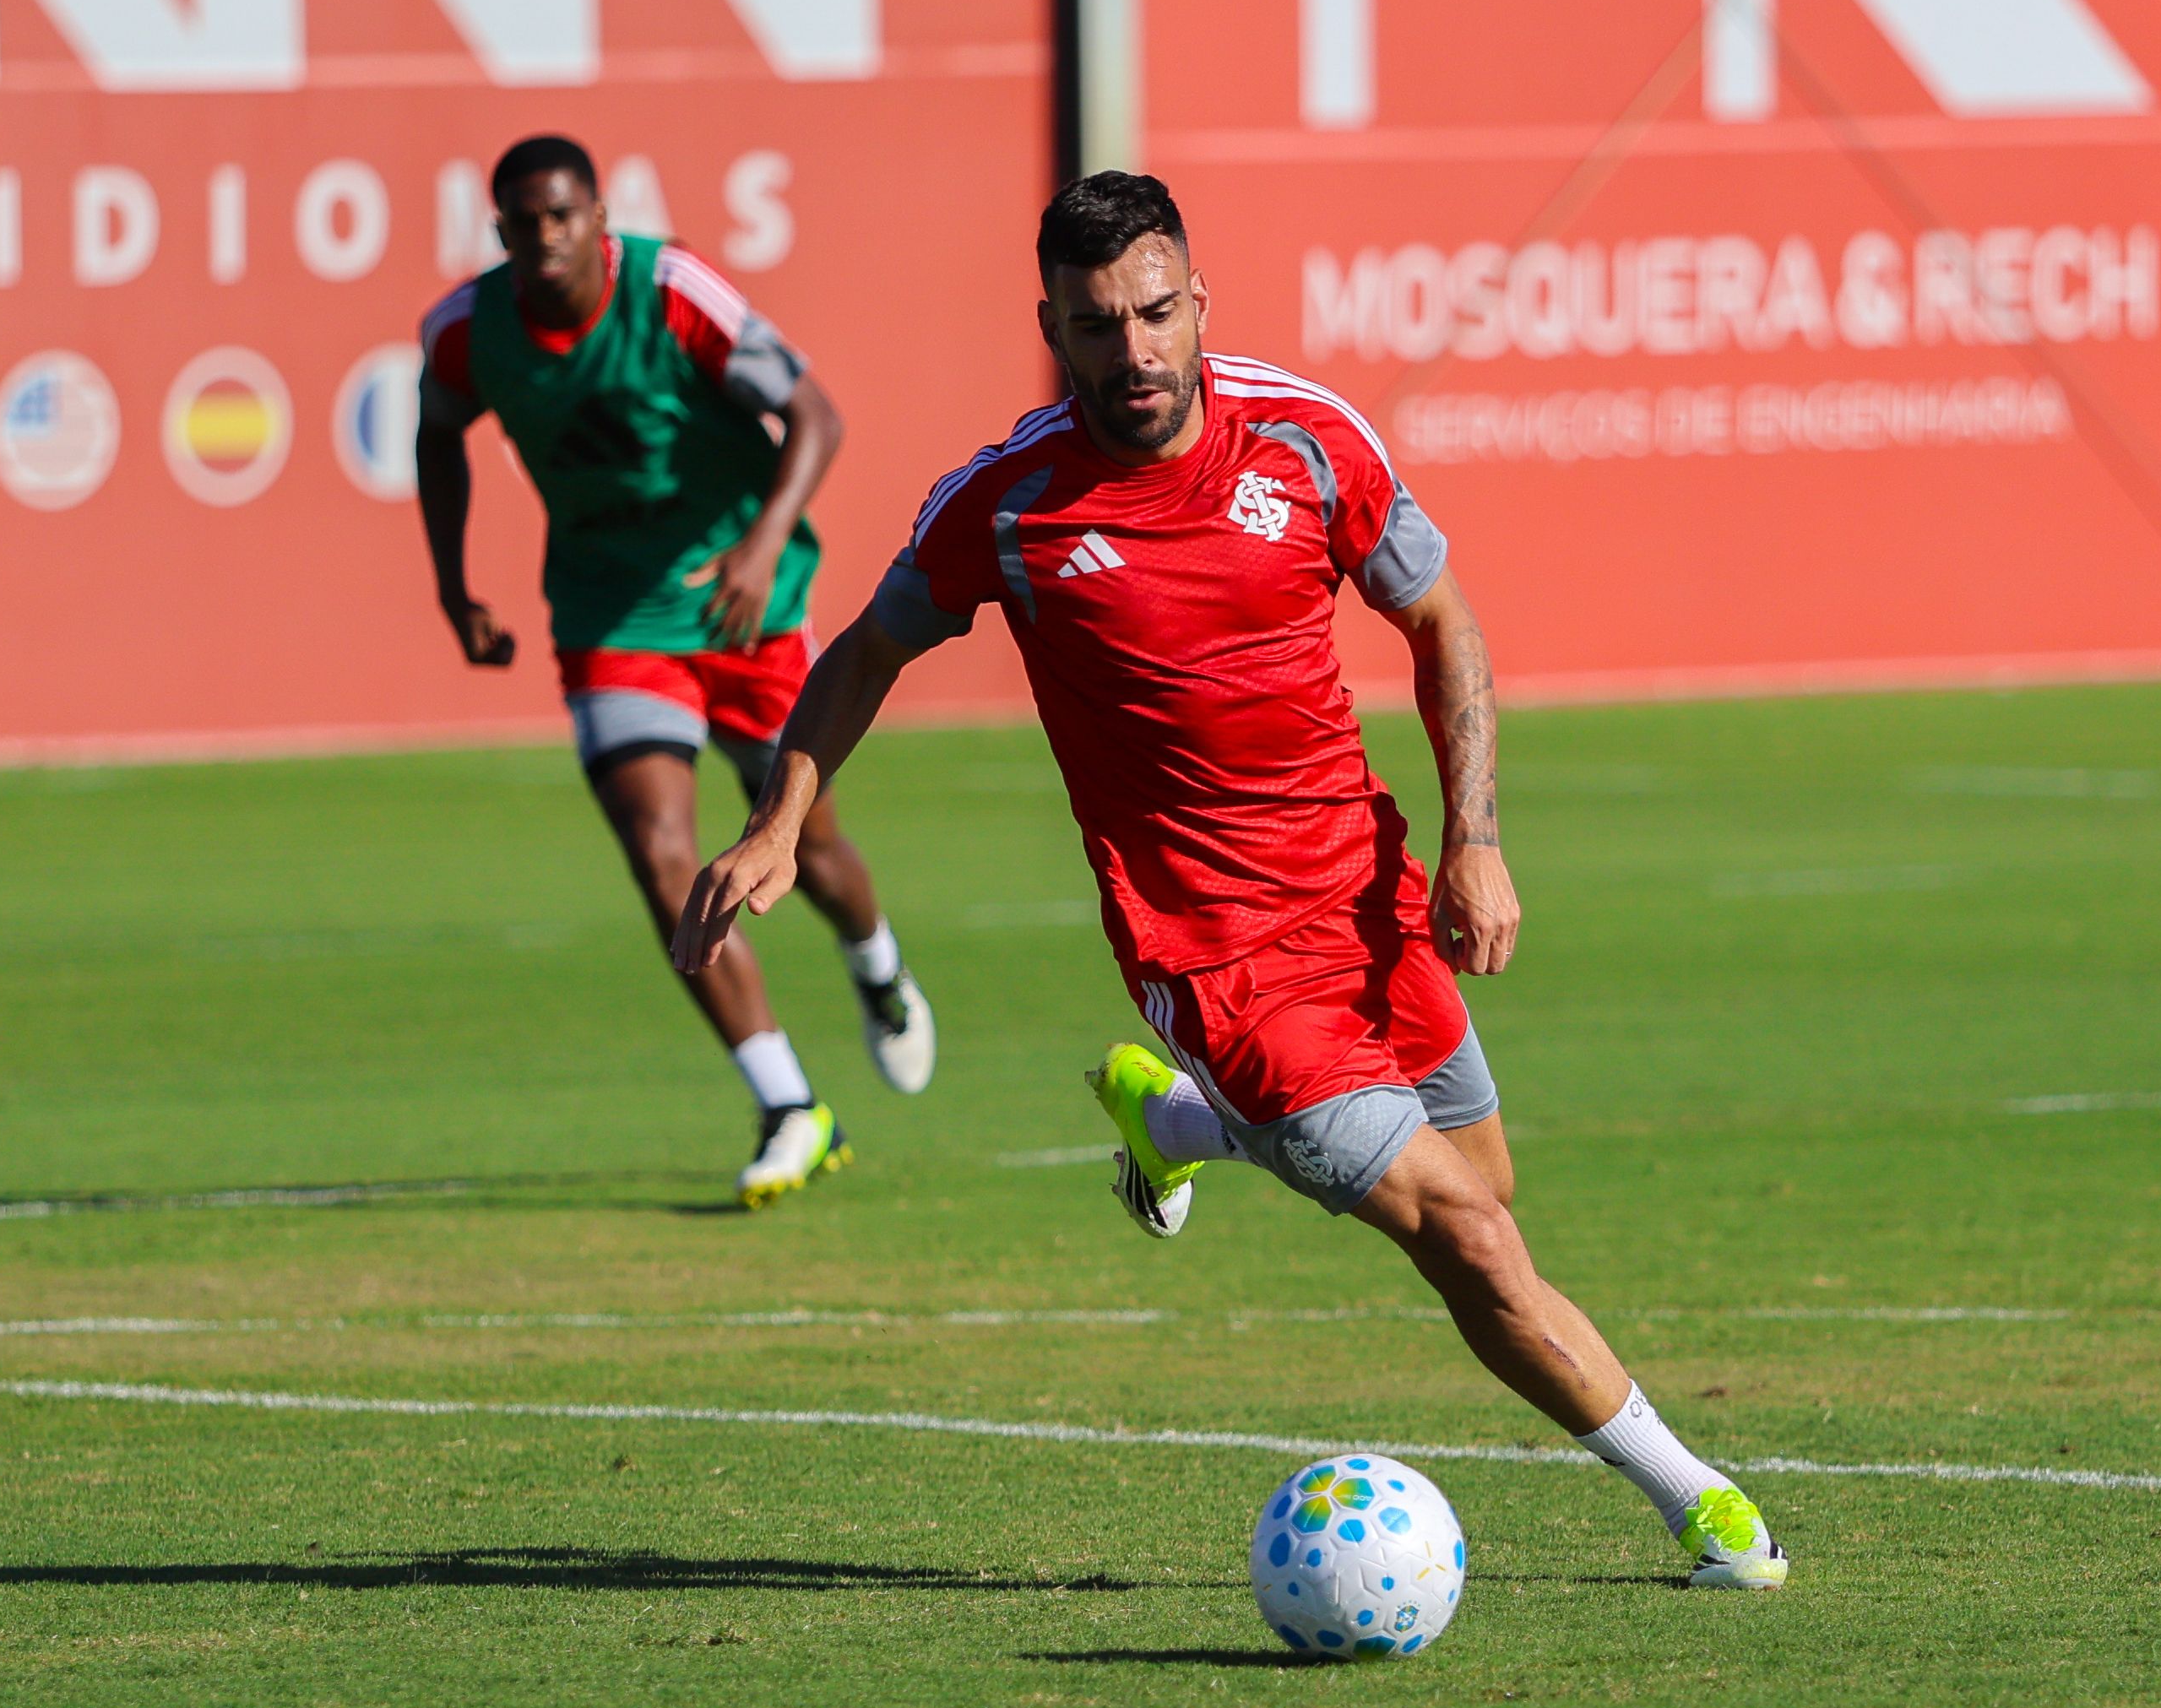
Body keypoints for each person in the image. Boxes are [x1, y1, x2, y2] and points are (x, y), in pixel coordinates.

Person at [674, 171, 1786, 1589]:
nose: (1130, 354)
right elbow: (864, 651)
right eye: (1092, 327)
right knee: (1469, 1235)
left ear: (1197, 303)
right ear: (1050, 330)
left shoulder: (1309, 444)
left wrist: (1472, 837)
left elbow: (1437, 615)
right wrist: (779, 820)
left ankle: (1181, 1128)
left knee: (1490, 1191)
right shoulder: (1009, 506)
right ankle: (1702, 1507)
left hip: (1365, 897)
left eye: (1152, 314)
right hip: (1211, 955)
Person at [415, 134, 935, 1208]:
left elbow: (816, 417)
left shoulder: (672, 290)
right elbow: (437, 439)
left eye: (563, 216)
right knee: (659, 853)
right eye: (523, 222)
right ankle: (791, 1104)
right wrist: (452, 586)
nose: (545, 237)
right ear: (501, 231)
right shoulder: (466, 333)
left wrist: (758, 545)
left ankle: (875, 962)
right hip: (613, 614)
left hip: (746, 598)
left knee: (808, 845)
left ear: (598, 218)